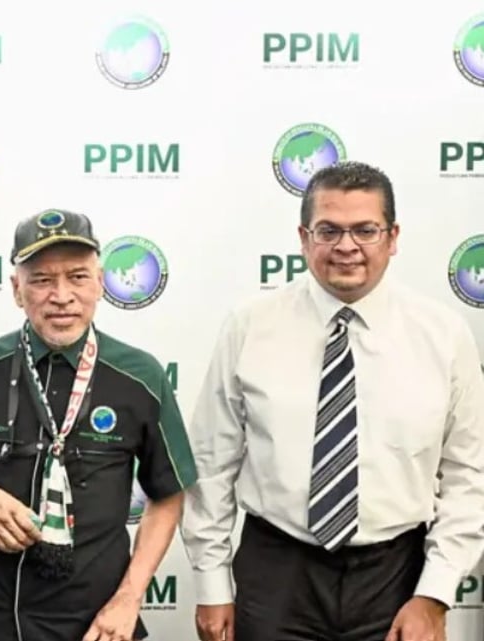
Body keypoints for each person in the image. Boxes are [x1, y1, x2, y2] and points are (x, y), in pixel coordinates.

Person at [181, 161, 484, 641]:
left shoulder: (443, 336)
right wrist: (213, 583)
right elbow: (211, 462)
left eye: (365, 230)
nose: (347, 247)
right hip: (276, 571)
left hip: (396, 575)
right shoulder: (250, 326)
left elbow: (470, 474)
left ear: (393, 236)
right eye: (329, 231)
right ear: (304, 238)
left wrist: (435, 594)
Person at [0, 209, 197, 641]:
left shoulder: (141, 376)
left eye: (77, 277)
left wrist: (128, 599)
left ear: (101, 283)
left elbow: (168, 495)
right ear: (17, 290)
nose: (61, 296)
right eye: (42, 280)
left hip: (97, 619)